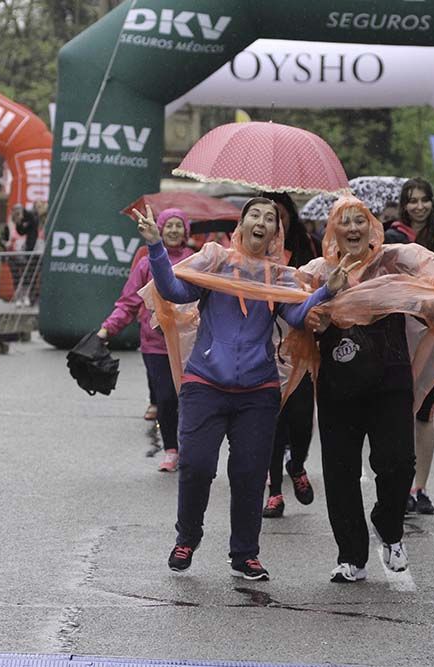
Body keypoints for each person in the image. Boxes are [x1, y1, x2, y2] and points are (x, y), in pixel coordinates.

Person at [137, 197, 353, 581]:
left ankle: (244, 555)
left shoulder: (280, 276)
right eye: (255, 215)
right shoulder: (214, 260)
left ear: (275, 232)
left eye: (270, 219)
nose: (262, 222)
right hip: (205, 383)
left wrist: (326, 292)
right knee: (196, 466)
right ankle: (187, 537)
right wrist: (155, 245)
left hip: (258, 390)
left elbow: (299, 315)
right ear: (242, 224)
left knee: (250, 473)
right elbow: (171, 289)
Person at [300, 195, 434, 582]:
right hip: (338, 384)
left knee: (398, 462)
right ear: (333, 232)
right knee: (340, 471)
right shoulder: (317, 271)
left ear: (372, 226)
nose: (353, 229)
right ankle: (351, 556)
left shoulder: (393, 260)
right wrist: (318, 309)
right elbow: (293, 310)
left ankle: (389, 527)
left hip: (390, 377)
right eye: (345, 223)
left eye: (361, 221)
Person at [384, 178, 434, 515]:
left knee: (425, 415)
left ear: (432, 203)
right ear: (404, 204)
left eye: (424, 200)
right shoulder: (391, 239)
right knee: (397, 414)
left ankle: (421, 487)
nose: (418, 206)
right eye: (412, 201)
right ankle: (398, 484)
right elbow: (383, 286)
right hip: (397, 340)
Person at [98, 208, 194, 472]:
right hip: (155, 345)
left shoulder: (196, 261)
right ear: (159, 230)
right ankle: (171, 450)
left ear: (186, 230)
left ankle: (189, 449)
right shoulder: (145, 264)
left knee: (189, 400)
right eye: (168, 225)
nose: (173, 230)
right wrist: (107, 330)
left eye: (178, 225)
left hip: (189, 345)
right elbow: (128, 303)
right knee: (165, 399)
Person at [260, 191, 320, 519]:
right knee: (272, 420)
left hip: (299, 345)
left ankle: (296, 465)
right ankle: (274, 491)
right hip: (263, 347)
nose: (273, 222)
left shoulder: (305, 246)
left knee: (299, 418)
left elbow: (318, 285)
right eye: (266, 216)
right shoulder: (247, 252)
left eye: (278, 215)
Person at [0, 203, 40, 304]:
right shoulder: (9, 226)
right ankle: (18, 297)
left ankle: (25, 295)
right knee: (16, 276)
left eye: (20, 213)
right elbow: (1, 239)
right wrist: (6, 243)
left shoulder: (27, 223)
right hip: (12, 255)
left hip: (24, 253)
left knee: (27, 275)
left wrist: (24, 219)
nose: (18, 216)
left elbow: (32, 228)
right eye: (16, 214)